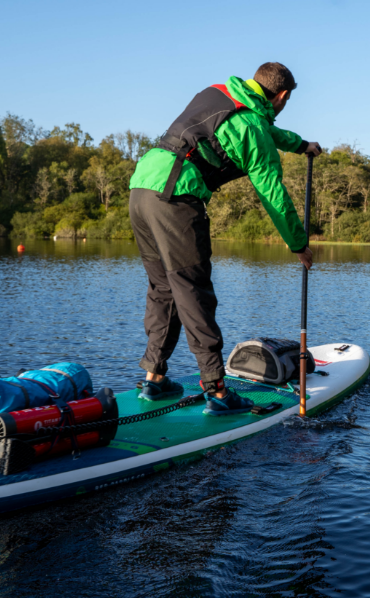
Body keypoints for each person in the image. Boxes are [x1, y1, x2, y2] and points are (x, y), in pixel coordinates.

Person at [129, 62, 322, 415]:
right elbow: (274, 197)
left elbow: (261, 129)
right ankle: (217, 391)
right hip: (177, 196)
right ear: (282, 96)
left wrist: (301, 145)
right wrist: (299, 245)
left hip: (142, 185)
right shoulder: (254, 129)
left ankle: (154, 379)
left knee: (163, 290)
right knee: (193, 290)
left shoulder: (218, 92)